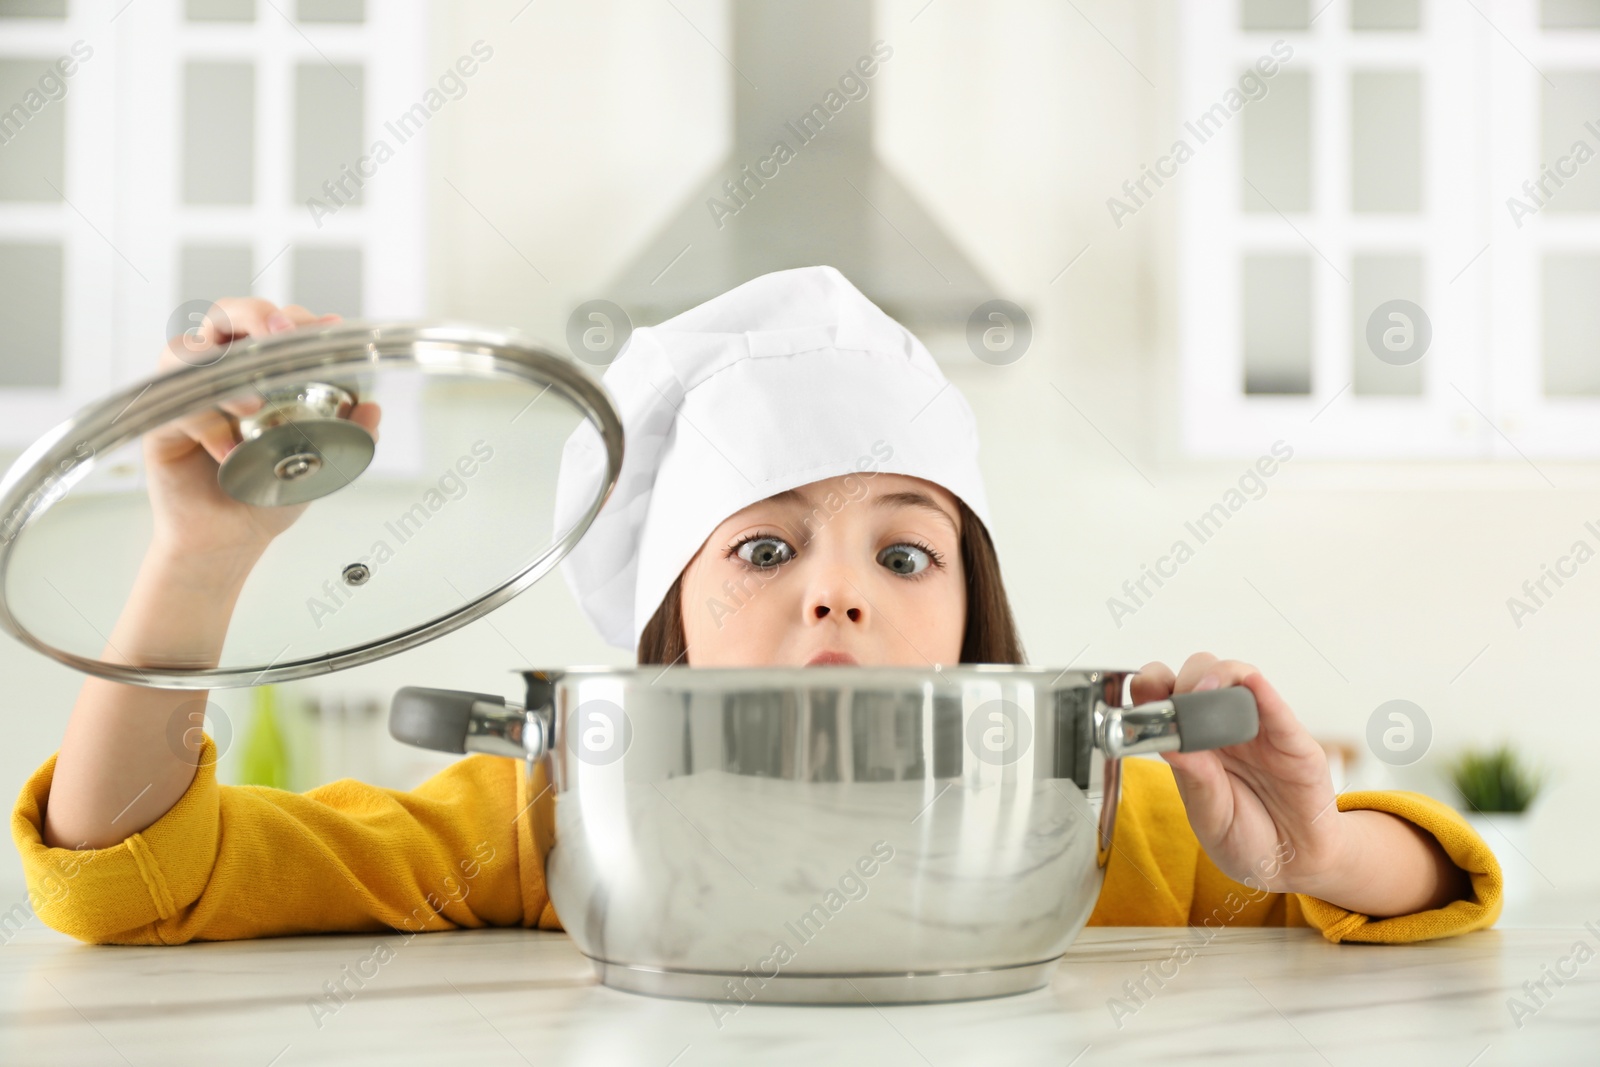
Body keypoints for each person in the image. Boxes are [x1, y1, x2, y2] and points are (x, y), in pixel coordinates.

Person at [11, 266, 1500, 946]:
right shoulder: (544, 833)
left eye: (905, 555)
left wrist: (1319, 854)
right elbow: (135, 880)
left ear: (981, 624)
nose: (838, 594)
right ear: (665, 626)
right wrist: (200, 561)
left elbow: (1436, 877)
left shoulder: (1112, 830)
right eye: (766, 552)